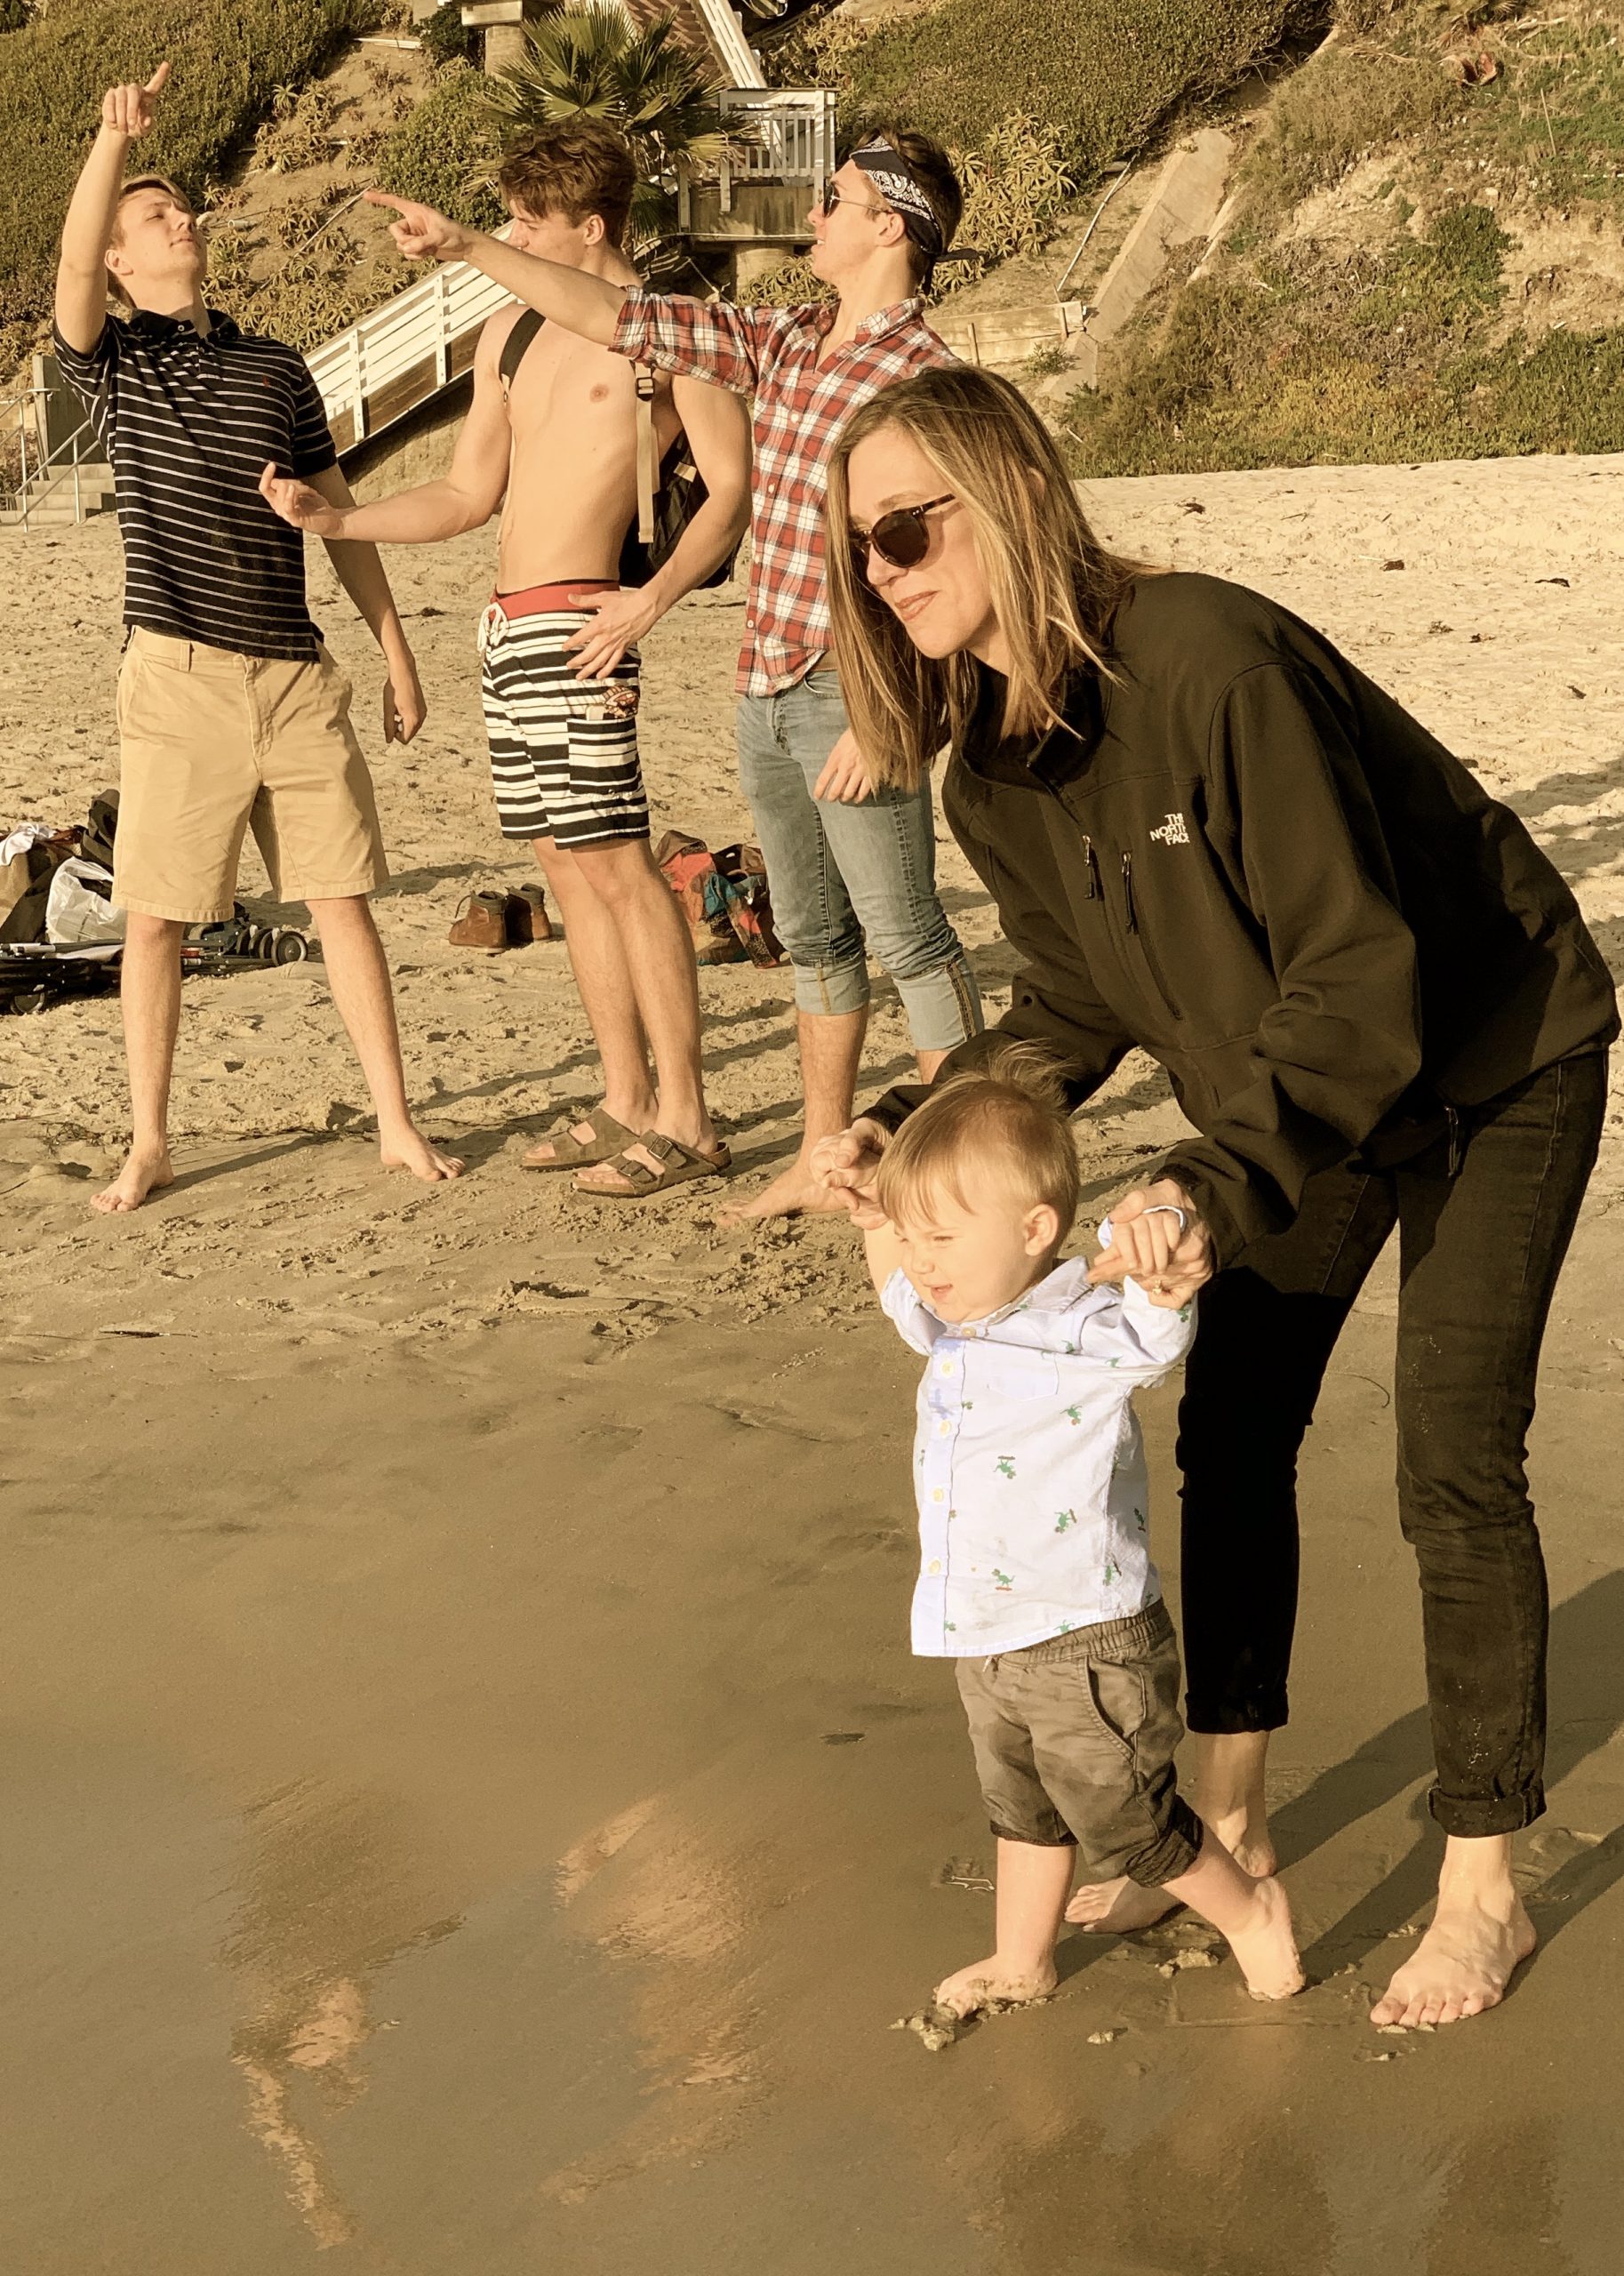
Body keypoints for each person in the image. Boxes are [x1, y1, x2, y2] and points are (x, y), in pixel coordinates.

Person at [813, 365, 1620, 2032]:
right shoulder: (988, 772)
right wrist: (905, 1123)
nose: (881, 571)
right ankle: (1230, 1809)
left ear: (1007, 493)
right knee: (1233, 1428)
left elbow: (1359, 968)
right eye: (857, 549)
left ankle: (1482, 1883)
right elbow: (1071, 1002)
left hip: (1486, 1055)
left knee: (1450, 1462)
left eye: (903, 529)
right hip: (1291, 1090)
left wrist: (1203, 1175)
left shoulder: (1207, 658)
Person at [361, 125, 984, 1222]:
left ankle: (970, 1174)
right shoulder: (790, 337)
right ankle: (816, 1153)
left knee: (912, 938)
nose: (814, 211)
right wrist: (466, 248)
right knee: (819, 939)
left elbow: (970, 560)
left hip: (859, 695)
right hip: (768, 681)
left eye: (834, 198)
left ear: (890, 225)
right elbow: (620, 315)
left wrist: (904, 719)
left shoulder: (929, 376)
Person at [262, 124, 749, 1200]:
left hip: (586, 620)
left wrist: (646, 604)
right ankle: (626, 1095)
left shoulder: (673, 330)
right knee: (565, 869)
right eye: (509, 218)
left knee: (622, 868)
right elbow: (464, 496)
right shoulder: (512, 335)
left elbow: (731, 489)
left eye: (533, 221)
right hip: (507, 629)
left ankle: (689, 1116)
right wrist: (333, 514)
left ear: (593, 226)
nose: (517, 237)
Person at [53, 63, 460, 1213]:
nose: (173, 220)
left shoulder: (277, 366)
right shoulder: (118, 362)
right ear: (130, 263)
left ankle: (393, 1121)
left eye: (178, 208)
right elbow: (76, 268)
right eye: (152, 216)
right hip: (177, 673)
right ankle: (151, 1141)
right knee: (159, 918)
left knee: (342, 904)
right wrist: (111, 144)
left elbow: (339, 520)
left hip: (294, 675)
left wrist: (394, 649)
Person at [840, 1049, 1304, 2017]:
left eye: (940, 1237)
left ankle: (1251, 1908)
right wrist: (880, 1216)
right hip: (986, 1632)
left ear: (1034, 1229)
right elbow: (895, 1278)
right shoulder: (953, 1321)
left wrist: (1160, 1278)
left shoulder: (1084, 1323)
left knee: (1131, 1821)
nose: (921, 1262)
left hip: (1086, 1637)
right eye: (912, 1238)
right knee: (1024, 1810)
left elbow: (1157, 1329)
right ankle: (1023, 1958)